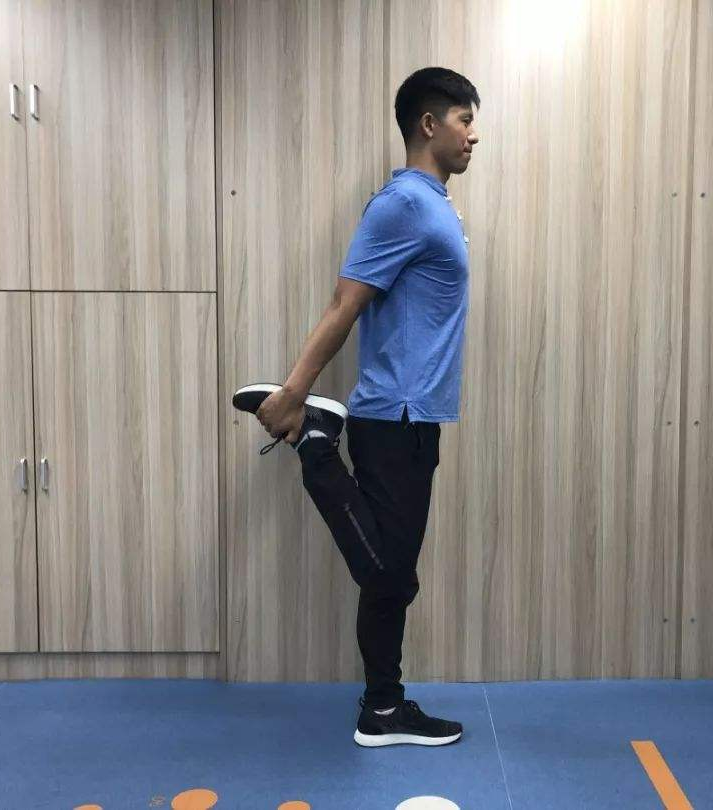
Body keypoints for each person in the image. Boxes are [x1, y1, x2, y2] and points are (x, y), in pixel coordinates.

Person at [233, 66, 480, 747]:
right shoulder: (402, 205)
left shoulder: (434, 205)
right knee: (389, 575)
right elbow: (346, 303)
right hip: (393, 414)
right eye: (464, 120)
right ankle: (314, 441)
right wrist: (292, 392)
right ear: (428, 124)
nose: (474, 135)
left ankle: (382, 707)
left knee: (387, 578)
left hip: (416, 417)